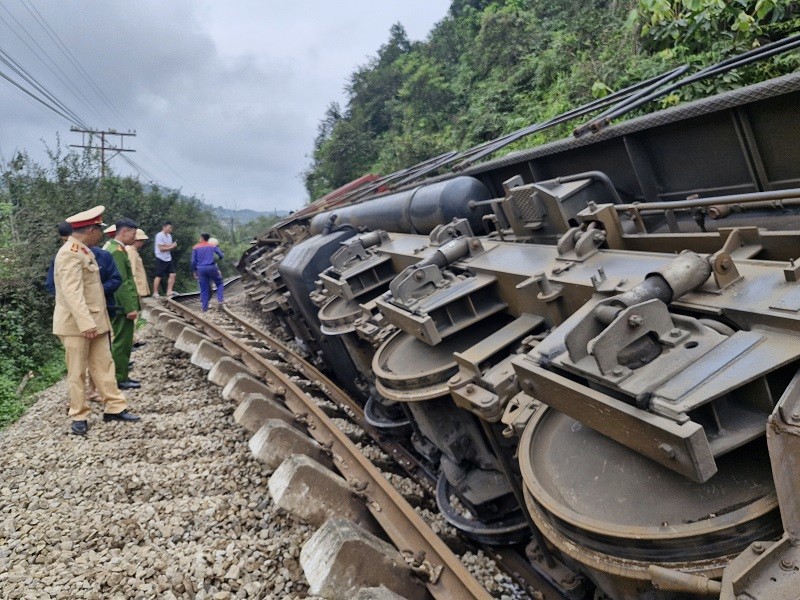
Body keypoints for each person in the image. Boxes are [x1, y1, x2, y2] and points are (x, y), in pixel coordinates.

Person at [53, 205, 139, 435]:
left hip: (96, 323)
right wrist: (85, 323)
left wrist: (95, 322)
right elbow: (72, 292)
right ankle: (79, 414)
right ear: (91, 230)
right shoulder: (69, 254)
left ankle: (114, 406)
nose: (102, 233)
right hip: (77, 326)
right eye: (100, 229)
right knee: (77, 371)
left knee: (104, 365)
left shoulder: (84, 250)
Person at [103, 219, 141, 389]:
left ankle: (121, 374)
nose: (134, 237)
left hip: (117, 304)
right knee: (122, 341)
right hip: (120, 305)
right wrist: (130, 307)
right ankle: (120, 377)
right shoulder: (117, 251)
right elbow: (122, 282)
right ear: (124, 232)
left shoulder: (112, 247)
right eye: (133, 234)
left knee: (121, 340)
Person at [191, 233, 224, 311]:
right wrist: (217, 259)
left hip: (200, 269)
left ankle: (204, 308)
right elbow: (221, 255)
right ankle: (220, 300)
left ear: (202, 238)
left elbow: (193, 262)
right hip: (211, 267)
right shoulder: (212, 246)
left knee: (204, 289)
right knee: (219, 283)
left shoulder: (195, 247)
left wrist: (194, 271)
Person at [153, 221, 177, 297]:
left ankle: (169, 291)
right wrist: (172, 247)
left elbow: (167, 245)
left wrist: (172, 245)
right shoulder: (159, 235)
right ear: (164, 227)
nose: (171, 229)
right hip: (160, 257)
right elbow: (161, 248)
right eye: (169, 227)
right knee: (159, 275)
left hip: (168, 258)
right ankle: (155, 292)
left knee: (173, 274)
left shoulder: (169, 236)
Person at [127, 228, 151, 298]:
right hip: (138, 287)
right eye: (141, 241)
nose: (142, 243)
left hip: (140, 286)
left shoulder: (134, 251)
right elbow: (132, 270)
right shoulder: (131, 251)